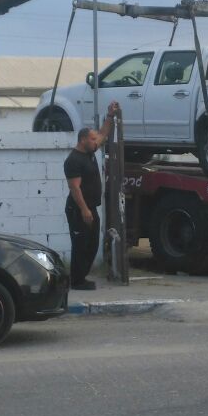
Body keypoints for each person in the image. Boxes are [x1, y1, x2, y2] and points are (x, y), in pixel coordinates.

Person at [64, 103, 120, 291]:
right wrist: (84, 210)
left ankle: (81, 277)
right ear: (82, 140)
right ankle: (77, 281)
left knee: (92, 244)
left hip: (90, 208)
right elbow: (75, 188)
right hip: (79, 209)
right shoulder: (73, 160)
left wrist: (110, 116)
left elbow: (103, 135)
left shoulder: (89, 152)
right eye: (92, 139)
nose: (96, 141)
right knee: (80, 245)